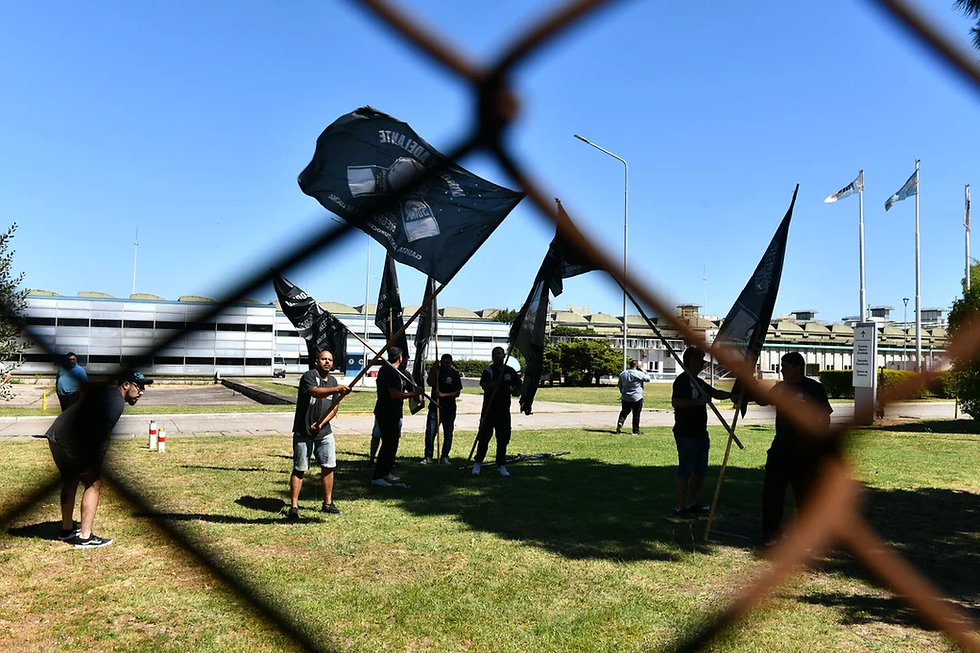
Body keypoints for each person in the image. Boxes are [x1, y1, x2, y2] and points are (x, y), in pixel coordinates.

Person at [46, 370, 152, 548]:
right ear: (126, 385)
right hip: (73, 440)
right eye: (139, 386)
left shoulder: (106, 392)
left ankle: (66, 529)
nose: (141, 391)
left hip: (56, 435)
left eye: (143, 388)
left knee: (71, 479)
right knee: (93, 483)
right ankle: (85, 537)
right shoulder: (117, 401)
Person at [754, 352, 833, 546]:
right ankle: (771, 534)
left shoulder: (813, 388)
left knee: (805, 495)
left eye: (785, 367)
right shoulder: (781, 388)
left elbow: (825, 417)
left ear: (798, 368)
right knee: (772, 493)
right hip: (780, 449)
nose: (781, 370)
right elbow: (763, 400)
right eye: (781, 366)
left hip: (804, 452)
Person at [287, 350, 350, 520]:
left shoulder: (333, 380)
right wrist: (337, 389)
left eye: (330, 359)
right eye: (324, 359)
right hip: (304, 431)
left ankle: (328, 504)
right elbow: (315, 392)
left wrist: (321, 424)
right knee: (300, 468)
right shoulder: (309, 376)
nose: (327, 362)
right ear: (317, 361)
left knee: (329, 466)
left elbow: (334, 408)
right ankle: (294, 507)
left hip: (324, 432)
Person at [671, 346, 731, 517]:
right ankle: (680, 507)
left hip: (701, 433)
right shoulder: (682, 381)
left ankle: (692, 503)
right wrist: (699, 402)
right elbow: (676, 403)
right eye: (700, 359)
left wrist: (732, 395)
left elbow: (714, 393)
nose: (703, 363)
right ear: (691, 361)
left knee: (700, 471)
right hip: (686, 433)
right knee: (685, 470)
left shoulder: (698, 381)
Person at [372, 347, 421, 487]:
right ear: (400, 358)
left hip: (394, 413)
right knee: (388, 444)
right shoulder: (389, 372)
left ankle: (386, 472)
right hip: (386, 412)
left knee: (392, 444)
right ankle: (378, 476)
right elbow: (394, 394)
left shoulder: (396, 372)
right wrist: (413, 394)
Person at [473, 347, 522, 477]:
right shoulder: (488, 371)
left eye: (500, 354)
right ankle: (478, 463)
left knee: (503, 439)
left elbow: (518, 386)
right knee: (484, 437)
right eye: (495, 354)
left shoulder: (509, 371)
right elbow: (484, 385)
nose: (498, 356)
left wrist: (516, 390)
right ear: (492, 356)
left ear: (504, 356)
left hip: (503, 410)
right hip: (489, 410)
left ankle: (501, 465)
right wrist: (495, 383)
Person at [421, 354, 462, 465]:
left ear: (451, 363)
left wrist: (443, 395)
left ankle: (444, 456)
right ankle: (428, 456)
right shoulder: (437, 371)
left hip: (449, 408)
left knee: (448, 434)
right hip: (434, 406)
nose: (445, 365)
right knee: (430, 432)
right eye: (443, 363)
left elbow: (457, 392)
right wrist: (433, 369)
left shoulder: (454, 374)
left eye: (447, 363)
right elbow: (430, 382)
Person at [617, 359, 652, 435]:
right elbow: (648, 379)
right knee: (636, 414)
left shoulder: (623, 373)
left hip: (625, 396)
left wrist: (622, 392)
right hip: (636, 397)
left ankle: (620, 422)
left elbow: (619, 385)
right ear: (636, 365)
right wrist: (644, 371)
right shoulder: (639, 373)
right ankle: (635, 431)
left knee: (624, 411)